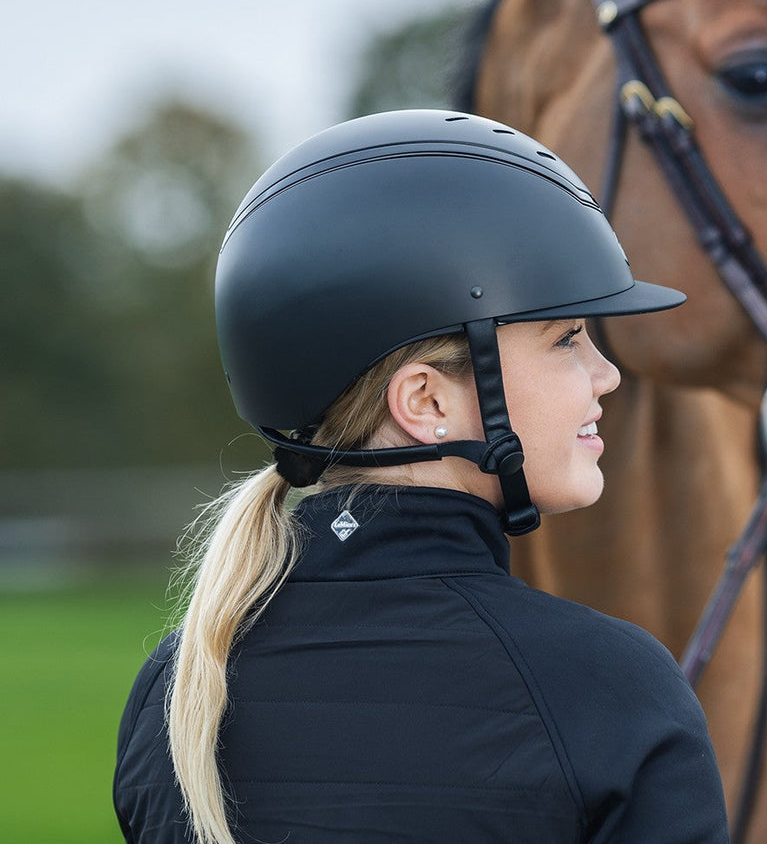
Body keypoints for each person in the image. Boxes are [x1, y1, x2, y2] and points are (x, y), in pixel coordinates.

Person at [113, 109, 729, 844]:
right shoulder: (608, 689)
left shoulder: (179, 690)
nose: (607, 375)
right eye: (567, 339)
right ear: (427, 402)